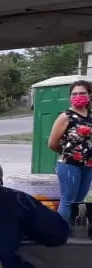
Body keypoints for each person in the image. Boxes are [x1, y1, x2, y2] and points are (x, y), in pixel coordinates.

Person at [49, 80, 92, 222]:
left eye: (82, 93)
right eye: (74, 94)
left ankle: (72, 232)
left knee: (78, 202)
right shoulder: (65, 117)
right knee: (67, 201)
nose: (78, 96)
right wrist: (68, 153)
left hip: (88, 166)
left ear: (89, 96)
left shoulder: (90, 116)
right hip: (69, 165)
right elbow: (52, 143)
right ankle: (61, 234)